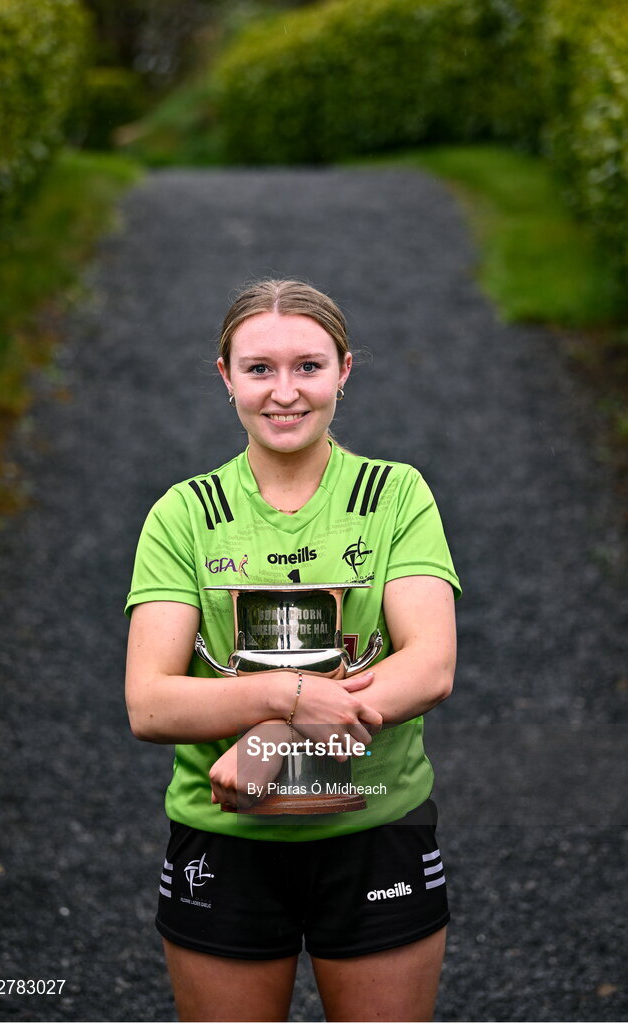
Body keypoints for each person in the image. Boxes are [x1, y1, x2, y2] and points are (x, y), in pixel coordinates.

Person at [124, 279, 461, 1022]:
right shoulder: (184, 514)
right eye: (259, 369)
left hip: (377, 829)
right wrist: (286, 696)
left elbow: (429, 667)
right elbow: (149, 703)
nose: (285, 393)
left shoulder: (396, 496)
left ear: (345, 370)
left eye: (308, 366)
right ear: (226, 377)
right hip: (225, 840)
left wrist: (282, 731)